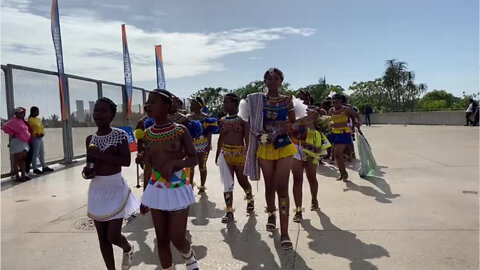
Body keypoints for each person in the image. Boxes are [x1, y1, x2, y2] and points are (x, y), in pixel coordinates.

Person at [239, 68, 306, 250]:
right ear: (265, 81)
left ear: (281, 81)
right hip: (265, 146)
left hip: (283, 146)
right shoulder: (257, 100)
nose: (273, 80)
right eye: (270, 78)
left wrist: (287, 129)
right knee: (270, 185)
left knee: (282, 187)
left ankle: (284, 233)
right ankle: (271, 214)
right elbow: (248, 122)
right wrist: (262, 136)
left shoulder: (287, 100)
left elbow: (295, 123)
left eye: (277, 78)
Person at [140, 89, 200, 270]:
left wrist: (175, 163)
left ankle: (188, 255)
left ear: (167, 107)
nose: (148, 105)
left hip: (177, 187)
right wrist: (145, 196)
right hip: (155, 189)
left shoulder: (181, 131)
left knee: (177, 238)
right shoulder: (148, 133)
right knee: (162, 240)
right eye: (147, 102)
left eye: (153, 102)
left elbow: (193, 159)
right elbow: (148, 167)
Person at [82, 98, 139, 270]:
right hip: (97, 190)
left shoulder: (119, 135)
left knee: (113, 236)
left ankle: (128, 248)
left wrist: (100, 154)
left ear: (112, 115)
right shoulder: (90, 139)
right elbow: (91, 163)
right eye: (96, 111)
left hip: (115, 189)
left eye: (103, 111)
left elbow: (126, 161)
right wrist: (87, 171)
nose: (98, 114)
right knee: (102, 238)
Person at [290, 90, 331, 223]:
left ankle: (314, 199)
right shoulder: (291, 113)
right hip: (296, 147)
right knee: (297, 179)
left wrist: (319, 116)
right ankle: (298, 210)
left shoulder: (314, 113)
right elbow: (289, 127)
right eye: (298, 99)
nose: (301, 101)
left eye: (304, 99)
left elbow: (326, 125)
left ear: (308, 99)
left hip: (312, 148)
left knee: (311, 176)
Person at [215, 93, 254, 223]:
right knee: (227, 184)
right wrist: (217, 154)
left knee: (243, 181)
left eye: (227, 102)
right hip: (226, 155)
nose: (225, 105)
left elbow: (247, 141)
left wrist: (249, 157)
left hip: (239, 156)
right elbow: (221, 138)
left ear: (235, 104)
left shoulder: (243, 122)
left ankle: (250, 198)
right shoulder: (222, 121)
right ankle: (229, 211)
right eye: (224, 102)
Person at [187, 97, 217, 195]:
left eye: (193, 104)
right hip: (191, 145)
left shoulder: (205, 118)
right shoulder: (188, 118)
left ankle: (202, 186)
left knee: (202, 165)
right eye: (191, 104)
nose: (191, 106)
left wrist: (208, 145)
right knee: (191, 166)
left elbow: (209, 133)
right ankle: (190, 185)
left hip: (203, 145)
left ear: (199, 106)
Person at [329, 94, 361, 181]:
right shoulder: (331, 110)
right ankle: (343, 173)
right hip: (334, 134)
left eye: (336, 100)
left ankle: (344, 173)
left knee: (338, 152)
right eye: (332, 100)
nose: (334, 101)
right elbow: (329, 120)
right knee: (337, 155)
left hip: (344, 133)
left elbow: (356, 116)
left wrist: (357, 122)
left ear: (341, 101)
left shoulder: (347, 109)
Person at [2, 107, 31, 182]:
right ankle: (17, 176)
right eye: (20, 112)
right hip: (17, 142)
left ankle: (23, 175)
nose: (22, 114)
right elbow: (4, 127)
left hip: (23, 141)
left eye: (23, 113)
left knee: (23, 158)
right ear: (16, 113)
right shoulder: (13, 121)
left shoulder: (21, 121)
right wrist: (13, 133)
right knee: (17, 159)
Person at [28, 107, 54, 175]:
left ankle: (44, 166)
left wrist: (42, 133)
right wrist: (35, 134)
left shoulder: (38, 119)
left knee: (42, 152)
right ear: (33, 112)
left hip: (40, 137)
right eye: (37, 111)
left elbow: (41, 127)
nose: (38, 112)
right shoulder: (30, 120)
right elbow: (30, 130)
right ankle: (34, 168)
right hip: (35, 138)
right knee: (35, 153)